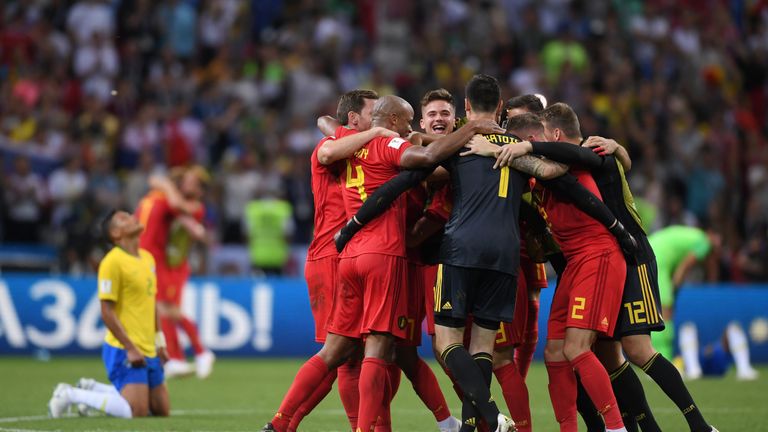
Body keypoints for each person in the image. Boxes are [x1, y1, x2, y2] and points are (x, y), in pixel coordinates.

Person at [261, 94, 504, 432]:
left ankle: (280, 423)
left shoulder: (345, 143)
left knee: (338, 351)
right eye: (405, 122)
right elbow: (429, 157)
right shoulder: (387, 145)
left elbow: (327, 125)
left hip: (348, 255)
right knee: (377, 350)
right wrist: (474, 128)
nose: (406, 128)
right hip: (382, 254)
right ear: (388, 122)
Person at [488, 112, 717, 432]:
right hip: (581, 263)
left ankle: (697, 425)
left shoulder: (590, 154)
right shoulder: (534, 175)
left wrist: (618, 149)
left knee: (635, 349)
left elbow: (578, 162)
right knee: (601, 354)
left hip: (628, 253)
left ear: (547, 134)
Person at [48, 210, 170, 419]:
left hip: (149, 347)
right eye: (124, 218)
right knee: (137, 411)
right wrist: (130, 348)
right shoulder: (112, 262)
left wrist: (160, 341)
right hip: (124, 348)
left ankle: (93, 387)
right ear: (115, 234)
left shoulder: (147, 259)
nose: (132, 217)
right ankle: (69, 394)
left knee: (161, 410)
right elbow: (106, 311)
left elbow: (152, 304)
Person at [135, 167, 214, 379]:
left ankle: (196, 353)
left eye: (193, 182)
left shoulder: (187, 205)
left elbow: (189, 219)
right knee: (161, 311)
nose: (188, 185)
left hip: (170, 265)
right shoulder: (162, 197)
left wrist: (165, 185)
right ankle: (177, 358)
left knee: (164, 310)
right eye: (186, 180)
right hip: (151, 260)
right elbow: (153, 177)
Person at [648, 225, 721, 361]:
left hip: (652, 249)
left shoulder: (696, 236)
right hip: (658, 258)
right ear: (710, 234)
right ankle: (662, 360)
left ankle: (659, 359)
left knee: (660, 311)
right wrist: (674, 287)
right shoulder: (704, 242)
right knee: (665, 312)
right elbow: (686, 265)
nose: (718, 245)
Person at [679, 321, 759, 380]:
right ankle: (692, 369)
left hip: (718, 362)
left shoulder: (722, 351)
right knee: (687, 328)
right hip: (700, 362)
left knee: (734, 327)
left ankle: (744, 369)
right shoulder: (703, 353)